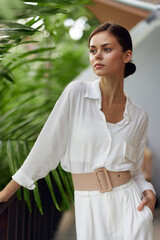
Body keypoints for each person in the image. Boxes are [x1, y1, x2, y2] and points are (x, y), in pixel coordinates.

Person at [0, 22, 156, 240]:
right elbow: (45, 150)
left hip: (132, 208)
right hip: (90, 208)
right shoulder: (76, 94)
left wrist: (148, 190)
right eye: (93, 50)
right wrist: (5, 194)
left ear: (126, 56)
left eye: (106, 49)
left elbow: (135, 169)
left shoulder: (139, 116)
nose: (97, 56)